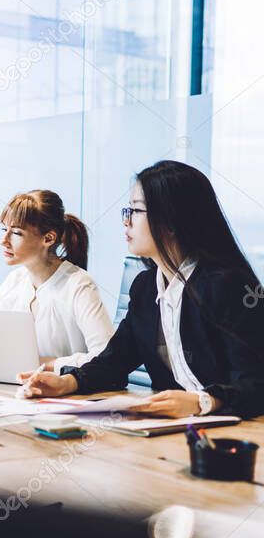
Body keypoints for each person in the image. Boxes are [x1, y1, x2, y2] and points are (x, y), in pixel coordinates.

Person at [20, 161, 264, 418]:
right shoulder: (146, 288)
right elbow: (115, 361)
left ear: (170, 220)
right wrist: (68, 382)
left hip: (238, 436)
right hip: (177, 432)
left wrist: (202, 402)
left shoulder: (228, 287)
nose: (126, 222)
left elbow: (255, 384)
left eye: (135, 211)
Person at [0, 190, 114, 373]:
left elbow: (107, 356)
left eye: (16, 233)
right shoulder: (15, 280)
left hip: (71, 396)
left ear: (48, 238)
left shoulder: (79, 285)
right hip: (20, 389)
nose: (3, 240)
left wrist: (44, 364)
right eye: (4, 230)